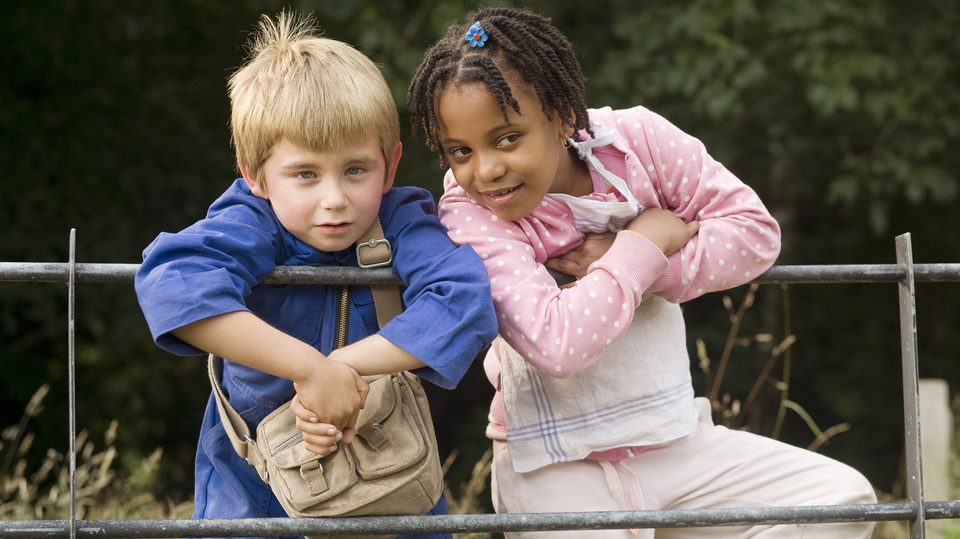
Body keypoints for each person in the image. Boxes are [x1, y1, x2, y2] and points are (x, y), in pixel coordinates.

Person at [407, 7, 877, 538]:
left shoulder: (638, 142)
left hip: (675, 442)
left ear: (563, 116)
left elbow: (754, 232)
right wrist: (641, 244)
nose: (485, 169)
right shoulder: (468, 212)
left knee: (845, 500)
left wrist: (642, 264)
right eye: (460, 152)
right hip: (555, 464)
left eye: (507, 138)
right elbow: (557, 344)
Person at [135, 11, 498, 539]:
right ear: (255, 173)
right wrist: (307, 370)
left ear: (390, 164)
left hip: (387, 478)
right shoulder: (249, 221)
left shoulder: (399, 221)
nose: (335, 200)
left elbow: (465, 300)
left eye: (356, 170)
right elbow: (174, 283)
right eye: (305, 174)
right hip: (253, 492)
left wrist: (341, 370)